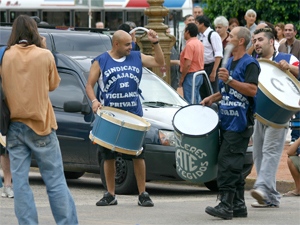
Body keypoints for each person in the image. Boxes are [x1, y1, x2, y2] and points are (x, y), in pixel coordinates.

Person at [0, 15, 78, 224]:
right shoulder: (44, 55)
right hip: (42, 126)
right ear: (35, 31)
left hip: (14, 126)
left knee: (20, 183)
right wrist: (43, 48)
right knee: (55, 181)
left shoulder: (5, 55)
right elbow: (53, 85)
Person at [86, 29, 164, 207]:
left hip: (133, 115)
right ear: (116, 44)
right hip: (111, 117)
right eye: (128, 44)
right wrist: (94, 101)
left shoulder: (136, 56)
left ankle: (143, 193)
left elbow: (159, 62)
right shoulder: (101, 61)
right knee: (108, 156)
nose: (132, 46)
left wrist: (156, 43)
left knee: (138, 154)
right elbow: (89, 85)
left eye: (131, 43)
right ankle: (110, 194)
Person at [201, 26, 260, 220]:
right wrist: (213, 97)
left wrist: (231, 79)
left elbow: (251, 90)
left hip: (240, 123)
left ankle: (226, 205)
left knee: (228, 164)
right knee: (232, 163)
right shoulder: (229, 62)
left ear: (241, 41)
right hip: (226, 121)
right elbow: (228, 90)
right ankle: (239, 205)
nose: (226, 39)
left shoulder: (249, 63)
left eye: (231, 36)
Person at [250, 27, 299, 208]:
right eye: (254, 40)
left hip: (279, 115)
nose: (256, 43)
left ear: (271, 42)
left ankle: (262, 188)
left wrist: (291, 69)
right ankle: (270, 197)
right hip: (258, 115)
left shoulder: (287, 59)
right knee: (259, 154)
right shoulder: (254, 62)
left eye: (260, 39)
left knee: (270, 152)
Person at [278, 23, 300, 145]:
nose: (287, 32)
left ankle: (295, 137)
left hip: (298, 80)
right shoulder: (281, 46)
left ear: (295, 32)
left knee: (297, 110)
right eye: (285, 30)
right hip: (285, 81)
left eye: (290, 30)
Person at [195, 15, 223, 93]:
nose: (195, 25)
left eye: (196, 23)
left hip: (211, 67)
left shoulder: (213, 35)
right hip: (201, 68)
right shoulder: (199, 36)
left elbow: (218, 55)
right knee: (202, 92)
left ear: (202, 24)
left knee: (212, 92)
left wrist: (214, 72)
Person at [179, 23, 204, 104]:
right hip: (199, 74)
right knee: (196, 99)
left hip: (191, 75)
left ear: (187, 32)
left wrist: (182, 77)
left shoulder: (190, 45)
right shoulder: (199, 43)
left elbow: (188, 63)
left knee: (190, 101)